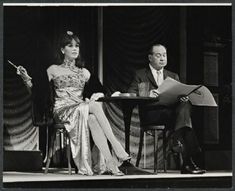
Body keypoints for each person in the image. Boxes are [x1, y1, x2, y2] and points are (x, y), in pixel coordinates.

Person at [16, 31, 131, 176]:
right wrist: (26, 79)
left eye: (77, 46)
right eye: (70, 46)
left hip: (80, 107)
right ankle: (117, 147)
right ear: (62, 50)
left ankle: (110, 162)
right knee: (93, 107)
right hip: (62, 109)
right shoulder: (53, 69)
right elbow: (38, 94)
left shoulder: (84, 72)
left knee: (93, 119)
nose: (75, 49)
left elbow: (100, 91)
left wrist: (97, 95)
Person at [128, 44, 206, 174]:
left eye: (164, 55)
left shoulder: (173, 76)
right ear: (150, 57)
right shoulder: (140, 74)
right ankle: (188, 160)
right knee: (183, 119)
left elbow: (179, 95)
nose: (162, 58)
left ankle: (178, 142)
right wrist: (147, 94)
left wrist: (182, 98)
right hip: (152, 114)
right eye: (158, 55)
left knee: (185, 105)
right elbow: (130, 93)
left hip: (171, 114)